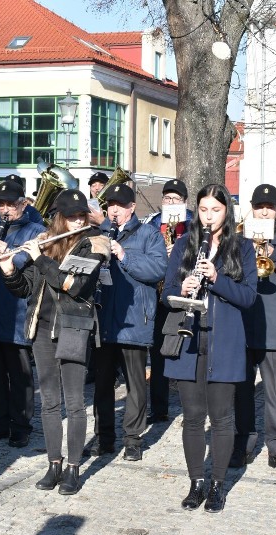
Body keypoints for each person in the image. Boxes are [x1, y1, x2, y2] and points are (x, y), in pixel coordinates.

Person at [0, 189, 109, 495]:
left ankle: (74, 468)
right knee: (48, 402)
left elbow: (73, 286)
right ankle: (54, 464)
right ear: (59, 218)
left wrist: (41, 258)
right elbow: (27, 288)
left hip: (74, 326)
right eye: (71, 216)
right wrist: (9, 270)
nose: (77, 221)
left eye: (81, 216)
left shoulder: (94, 244)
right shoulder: (48, 242)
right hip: (42, 328)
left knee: (74, 403)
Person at [161, 184, 257, 513]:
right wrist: (182, 286)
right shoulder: (184, 246)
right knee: (191, 418)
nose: (208, 217)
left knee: (221, 419)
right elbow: (166, 293)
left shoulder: (242, 248)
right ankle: (195, 483)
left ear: (226, 212)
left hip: (225, 342)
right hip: (189, 339)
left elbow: (248, 297)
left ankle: (217, 484)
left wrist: (217, 278)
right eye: (203, 210)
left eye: (215, 210)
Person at [232, 184, 276, 471]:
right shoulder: (239, 239)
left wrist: (273, 253)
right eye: (259, 205)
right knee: (242, 390)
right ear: (252, 208)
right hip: (243, 324)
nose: (264, 210)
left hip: (275, 327)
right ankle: (243, 444)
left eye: (269, 206)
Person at [93, 183, 167, 461]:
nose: (114, 209)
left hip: (135, 319)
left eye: (120, 205)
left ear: (132, 208)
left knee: (135, 384)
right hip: (104, 318)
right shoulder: (99, 232)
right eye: (110, 204)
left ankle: (133, 438)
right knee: (102, 383)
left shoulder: (149, 234)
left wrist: (123, 255)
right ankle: (104, 437)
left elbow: (158, 269)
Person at [0, 180, 45, 448]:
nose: (5, 209)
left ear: (23, 204)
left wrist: (6, 255)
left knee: (19, 375)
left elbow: (24, 263)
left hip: (17, 311)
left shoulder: (37, 231)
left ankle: (21, 425)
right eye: (1, 204)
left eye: (11, 204)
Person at [146, 178, 194, 423]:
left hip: (187, 291)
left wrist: (180, 253)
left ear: (185, 202)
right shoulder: (154, 222)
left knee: (186, 349)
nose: (171, 202)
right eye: (167, 198)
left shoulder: (194, 223)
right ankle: (159, 407)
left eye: (176, 199)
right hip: (159, 293)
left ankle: (191, 409)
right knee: (158, 353)